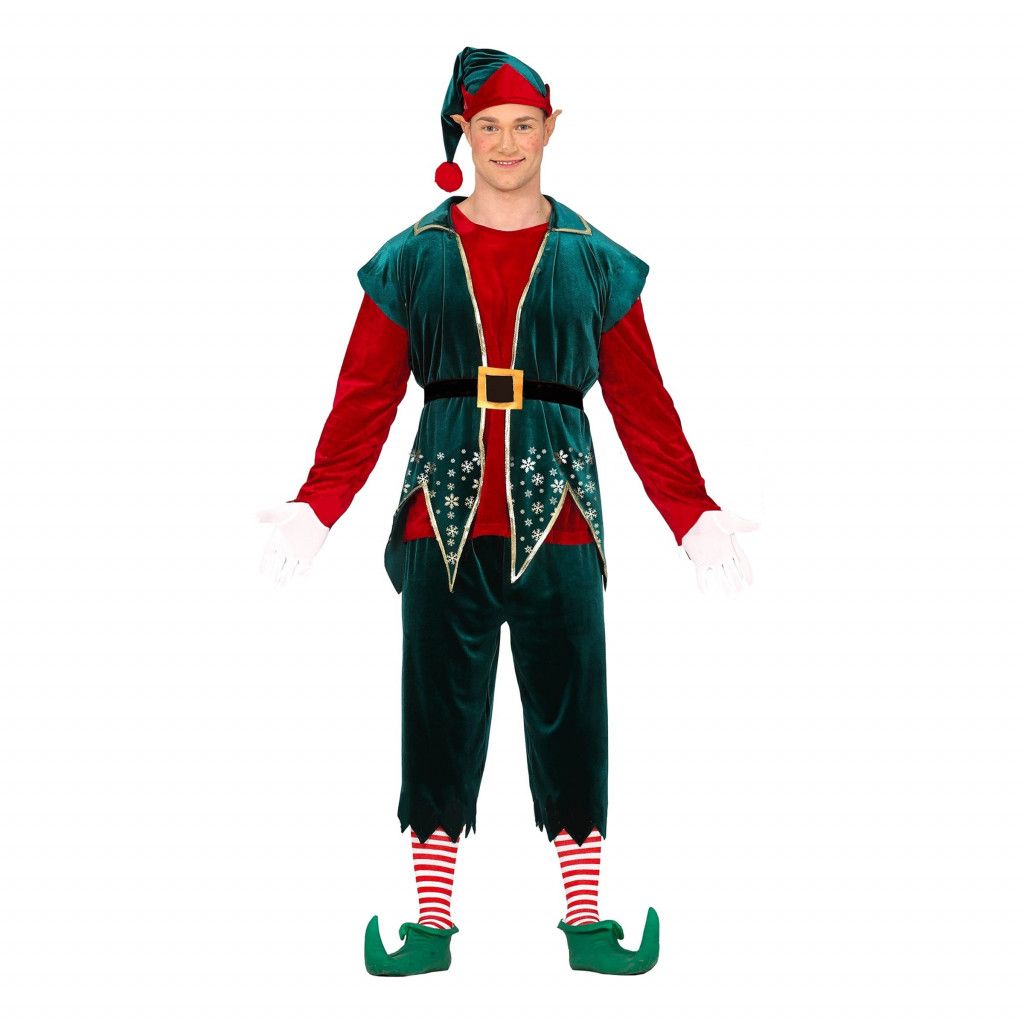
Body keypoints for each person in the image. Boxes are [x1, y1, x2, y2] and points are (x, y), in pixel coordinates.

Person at [258, 46, 757, 976]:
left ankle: (588, 924)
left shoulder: (594, 261)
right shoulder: (412, 258)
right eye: (488, 126)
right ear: (464, 132)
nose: (506, 143)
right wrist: (318, 503)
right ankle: (429, 927)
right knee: (436, 717)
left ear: (551, 130)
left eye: (524, 125)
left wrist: (692, 513)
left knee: (573, 711)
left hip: (559, 517)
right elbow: (365, 395)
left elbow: (643, 402)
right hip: (440, 518)